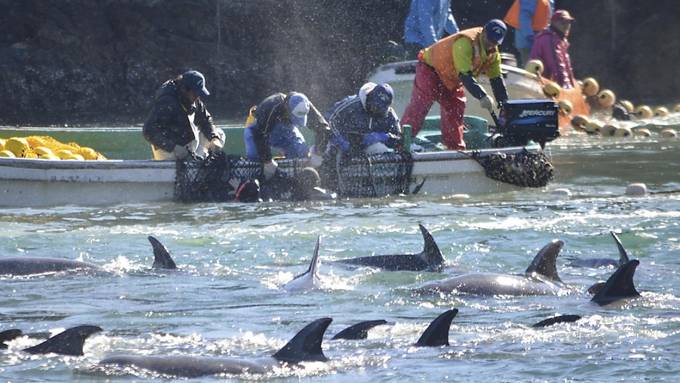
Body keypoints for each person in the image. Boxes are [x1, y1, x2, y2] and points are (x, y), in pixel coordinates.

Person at [401, 19, 510, 150]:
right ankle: (402, 142)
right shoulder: (465, 42)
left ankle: (456, 149)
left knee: (456, 108)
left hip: (451, 78)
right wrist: (482, 96)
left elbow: (497, 80)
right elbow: (465, 75)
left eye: (494, 42)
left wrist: (505, 106)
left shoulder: (493, 53)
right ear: (483, 32)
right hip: (430, 70)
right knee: (421, 105)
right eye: (489, 40)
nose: (490, 45)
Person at [243, 92, 329, 180]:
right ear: (288, 110)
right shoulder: (271, 106)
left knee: (301, 153)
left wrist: (318, 152)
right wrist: (267, 161)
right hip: (257, 131)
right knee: (256, 161)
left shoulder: (305, 104)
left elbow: (324, 129)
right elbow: (259, 135)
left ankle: (296, 182)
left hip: (286, 130)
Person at [143, 70, 225, 160]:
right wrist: (174, 147)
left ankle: (199, 160)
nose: (197, 97)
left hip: (188, 144)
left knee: (219, 134)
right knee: (176, 157)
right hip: (169, 148)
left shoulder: (194, 99)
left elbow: (206, 120)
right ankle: (190, 159)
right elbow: (148, 130)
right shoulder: (167, 102)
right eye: (195, 93)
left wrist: (214, 139)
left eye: (199, 94)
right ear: (184, 89)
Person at [326, 82, 402, 156]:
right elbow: (328, 119)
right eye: (374, 106)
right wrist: (339, 139)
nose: (376, 110)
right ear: (370, 97)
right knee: (330, 151)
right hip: (340, 145)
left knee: (382, 150)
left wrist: (384, 137)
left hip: (366, 151)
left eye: (380, 108)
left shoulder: (390, 114)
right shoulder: (352, 104)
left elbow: (399, 138)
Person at [528, 10, 577, 89]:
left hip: (547, 85)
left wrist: (572, 86)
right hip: (540, 86)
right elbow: (557, 66)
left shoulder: (560, 39)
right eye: (563, 22)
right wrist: (566, 88)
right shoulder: (549, 39)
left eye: (569, 23)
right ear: (554, 23)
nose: (567, 25)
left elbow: (567, 67)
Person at [503, 0, 554, 67]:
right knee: (529, 68)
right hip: (527, 42)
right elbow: (524, 17)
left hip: (536, 40)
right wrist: (529, 35)